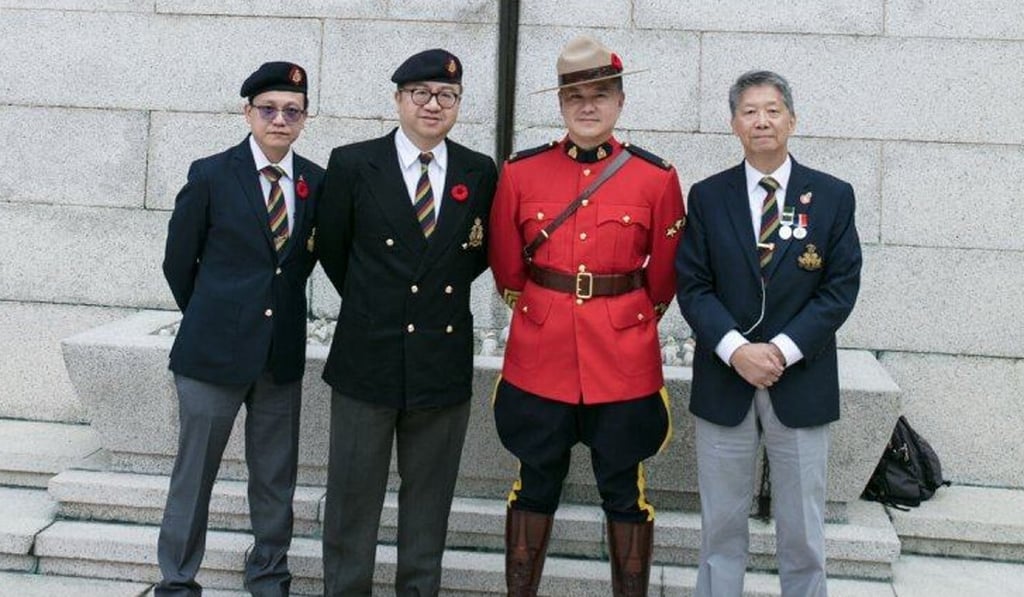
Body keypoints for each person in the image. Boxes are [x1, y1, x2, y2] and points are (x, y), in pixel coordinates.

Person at [488, 35, 685, 597]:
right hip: (541, 353)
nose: (588, 106)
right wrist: (541, 312)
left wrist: (627, 316)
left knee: (625, 488)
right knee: (534, 483)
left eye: (601, 95)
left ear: (620, 102)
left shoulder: (656, 178)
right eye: (575, 96)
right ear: (561, 105)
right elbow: (506, 265)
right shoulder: (521, 173)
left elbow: (665, 275)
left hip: (622, 358)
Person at [316, 49, 498, 596]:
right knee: (352, 499)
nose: (432, 104)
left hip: (440, 362)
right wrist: (380, 303)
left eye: (446, 95)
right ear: (398, 100)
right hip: (365, 358)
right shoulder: (352, 164)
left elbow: (477, 255)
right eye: (419, 93)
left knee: (429, 505)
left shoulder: (478, 170)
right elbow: (332, 247)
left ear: (459, 104)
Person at [675, 70, 862, 597]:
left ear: (792, 120)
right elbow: (693, 286)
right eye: (749, 110)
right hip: (725, 380)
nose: (762, 120)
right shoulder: (708, 197)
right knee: (720, 528)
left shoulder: (831, 196)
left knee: (803, 530)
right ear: (734, 123)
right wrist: (737, 351)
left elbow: (839, 290)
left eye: (772, 109)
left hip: (800, 380)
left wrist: (778, 351)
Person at [158, 61, 323, 596]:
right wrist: (213, 313)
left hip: (279, 356)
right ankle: (178, 579)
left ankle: (269, 574)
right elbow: (178, 262)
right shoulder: (210, 173)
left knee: (275, 479)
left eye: (292, 111)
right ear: (247, 112)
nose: (280, 119)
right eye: (269, 109)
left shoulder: (315, 182)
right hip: (211, 355)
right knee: (194, 474)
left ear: (304, 117)